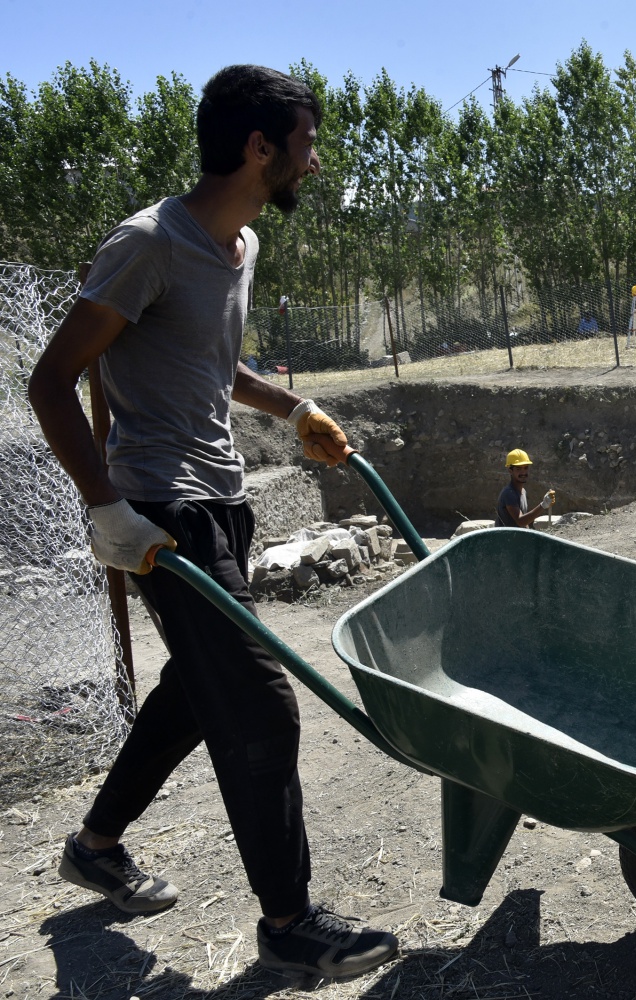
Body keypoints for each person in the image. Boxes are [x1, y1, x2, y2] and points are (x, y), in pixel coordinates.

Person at [27, 65, 399, 980]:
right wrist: (106, 507)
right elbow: (52, 380)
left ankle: (97, 847)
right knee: (263, 709)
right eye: (305, 143)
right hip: (160, 508)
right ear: (258, 146)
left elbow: (208, 362)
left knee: (198, 692)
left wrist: (290, 408)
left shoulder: (239, 246)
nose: (315, 163)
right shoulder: (149, 243)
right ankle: (289, 925)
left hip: (221, 500)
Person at [496, 449, 556, 528]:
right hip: (505, 539)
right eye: (518, 469)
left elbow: (524, 523)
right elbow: (520, 521)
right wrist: (543, 505)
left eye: (525, 468)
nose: (523, 472)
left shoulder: (523, 492)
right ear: (510, 470)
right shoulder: (509, 493)